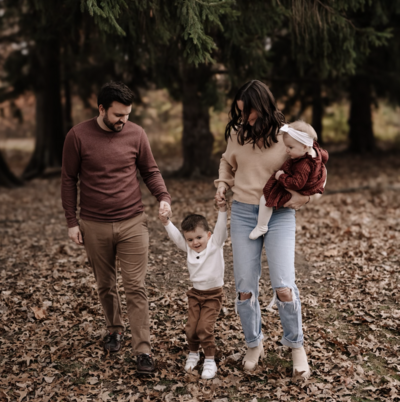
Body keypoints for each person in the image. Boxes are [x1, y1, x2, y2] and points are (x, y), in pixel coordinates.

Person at [61, 81, 172, 376]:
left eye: (127, 114)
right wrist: (72, 222)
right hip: (93, 223)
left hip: (133, 221)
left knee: (135, 286)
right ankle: (114, 329)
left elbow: (150, 170)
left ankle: (143, 350)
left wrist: (163, 197)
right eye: (118, 115)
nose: (124, 121)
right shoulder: (77, 136)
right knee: (106, 284)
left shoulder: (136, 134)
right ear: (101, 109)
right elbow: (68, 179)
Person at [215, 80, 322, 378]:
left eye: (249, 111)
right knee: (245, 288)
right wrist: (222, 184)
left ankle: (296, 345)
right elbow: (226, 162)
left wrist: (307, 197)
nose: (245, 117)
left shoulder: (287, 135)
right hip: (244, 214)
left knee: (284, 286)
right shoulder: (237, 134)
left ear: (263, 106)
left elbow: (317, 167)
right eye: (240, 111)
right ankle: (253, 343)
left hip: (280, 215)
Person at [159, 201, 228, 380]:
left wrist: (222, 210)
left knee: (204, 328)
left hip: (213, 295)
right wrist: (166, 222)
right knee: (191, 329)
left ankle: (210, 360)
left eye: (199, 238)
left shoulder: (215, 244)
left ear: (208, 235)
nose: (195, 242)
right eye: (190, 239)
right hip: (195, 294)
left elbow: (221, 228)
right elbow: (176, 237)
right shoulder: (189, 249)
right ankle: (193, 353)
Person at [249, 120, 328, 239]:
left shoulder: (303, 165)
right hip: (304, 185)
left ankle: (261, 226)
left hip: (297, 189)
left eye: (290, 147)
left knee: (265, 198)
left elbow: (296, 184)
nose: (287, 150)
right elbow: (324, 157)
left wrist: (280, 176)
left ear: (305, 146)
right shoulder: (315, 151)